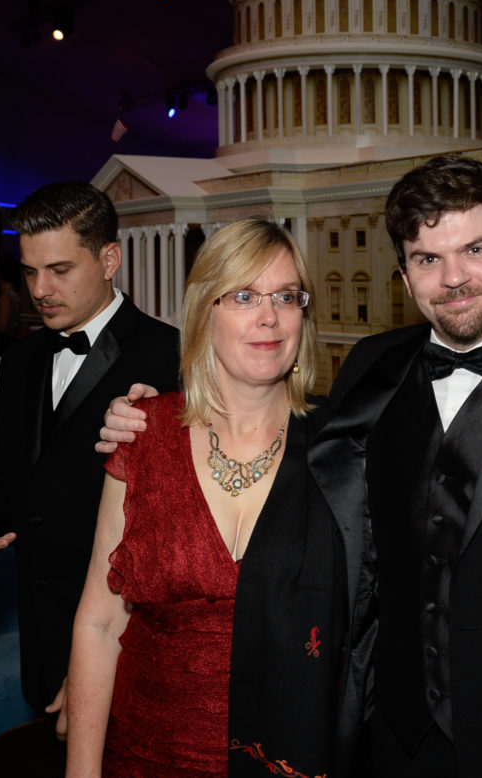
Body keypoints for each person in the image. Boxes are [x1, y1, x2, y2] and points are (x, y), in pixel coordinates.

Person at [102, 155, 482, 777]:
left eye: (475, 249)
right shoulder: (371, 369)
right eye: (428, 259)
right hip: (391, 744)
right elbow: (285, 441)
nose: (454, 278)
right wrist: (154, 415)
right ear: (405, 278)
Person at [65, 218, 354, 777]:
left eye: (287, 297)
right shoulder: (142, 435)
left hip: (296, 757)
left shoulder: (344, 447)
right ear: (204, 312)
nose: (269, 316)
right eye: (244, 295)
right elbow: (99, 624)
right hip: (147, 756)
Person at [0, 182, 180, 733]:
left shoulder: (170, 359)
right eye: (29, 272)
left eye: (60, 270)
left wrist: (103, 659)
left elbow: (174, 534)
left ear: (109, 258)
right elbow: (8, 479)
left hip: (133, 643)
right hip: (44, 640)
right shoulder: (22, 359)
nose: (39, 290)